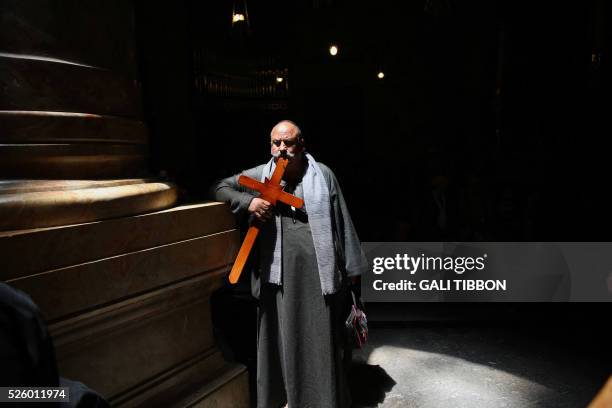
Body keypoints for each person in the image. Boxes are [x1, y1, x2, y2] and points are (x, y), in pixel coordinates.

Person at [212, 120, 368, 408]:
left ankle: (324, 400)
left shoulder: (322, 174)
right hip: (279, 275)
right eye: (276, 142)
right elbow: (220, 187)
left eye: (288, 142)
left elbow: (340, 219)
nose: (281, 148)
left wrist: (353, 270)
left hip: (319, 275)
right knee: (283, 339)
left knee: (321, 342)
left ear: (301, 145)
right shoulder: (260, 175)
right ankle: (286, 399)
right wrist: (250, 204)